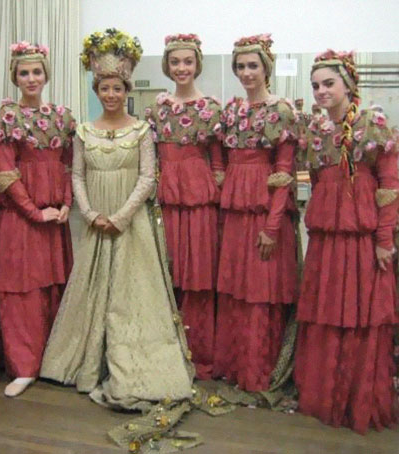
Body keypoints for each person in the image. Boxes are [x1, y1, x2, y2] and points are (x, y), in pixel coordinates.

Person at [40, 27, 194, 411]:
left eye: (117, 88)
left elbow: (147, 178)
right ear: (97, 91)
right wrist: (91, 214)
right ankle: (86, 361)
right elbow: (77, 176)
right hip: (96, 224)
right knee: (94, 291)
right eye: (104, 88)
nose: (111, 94)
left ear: (127, 91)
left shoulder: (141, 131)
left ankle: (136, 365)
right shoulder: (84, 132)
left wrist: (121, 216)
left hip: (131, 224)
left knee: (131, 295)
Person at [296, 50, 399, 433]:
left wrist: (384, 239)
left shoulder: (372, 124)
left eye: (329, 83)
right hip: (327, 242)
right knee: (327, 314)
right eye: (316, 86)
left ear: (348, 84)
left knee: (361, 317)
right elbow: (317, 182)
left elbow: (390, 187)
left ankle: (356, 399)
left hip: (362, 244)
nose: (321, 91)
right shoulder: (316, 132)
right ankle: (327, 395)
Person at [0, 41, 75, 397]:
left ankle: (54, 361)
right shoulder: (7, 117)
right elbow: (5, 173)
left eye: (36, 72)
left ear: (46, 75)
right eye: (24, 73)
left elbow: (68, 165)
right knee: (21, 294)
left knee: (53, 289)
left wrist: (67, 202)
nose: (31, 78)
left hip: (55, 221)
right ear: (15, 77)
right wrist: (34, 212)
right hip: (22, 220)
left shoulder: (62, 117)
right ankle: (24, 366)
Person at [214, 34, 298, 392]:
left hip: (264, 217)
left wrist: (272, 227)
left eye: (253, 65)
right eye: (240, 66)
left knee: (262, 293)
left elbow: (284, 173)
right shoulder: (231, 112)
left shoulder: (282, 112)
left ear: (267, 68)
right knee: (236, 290)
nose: (246, 72)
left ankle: (259, 370)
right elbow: (218, 157)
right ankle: (235, 367)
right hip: (235, 216)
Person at [145, 33, 222, 379]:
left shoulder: (211, 109)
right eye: (175, 62)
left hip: (200, 201)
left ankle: (199, 351)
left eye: (187, 61)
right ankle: (166, 351)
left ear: (197, 64)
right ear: (167, 65)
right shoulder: (157, 109)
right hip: (166, 200)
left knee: (198, 274)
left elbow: (218, 163)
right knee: (168, 272)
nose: (181, 68)